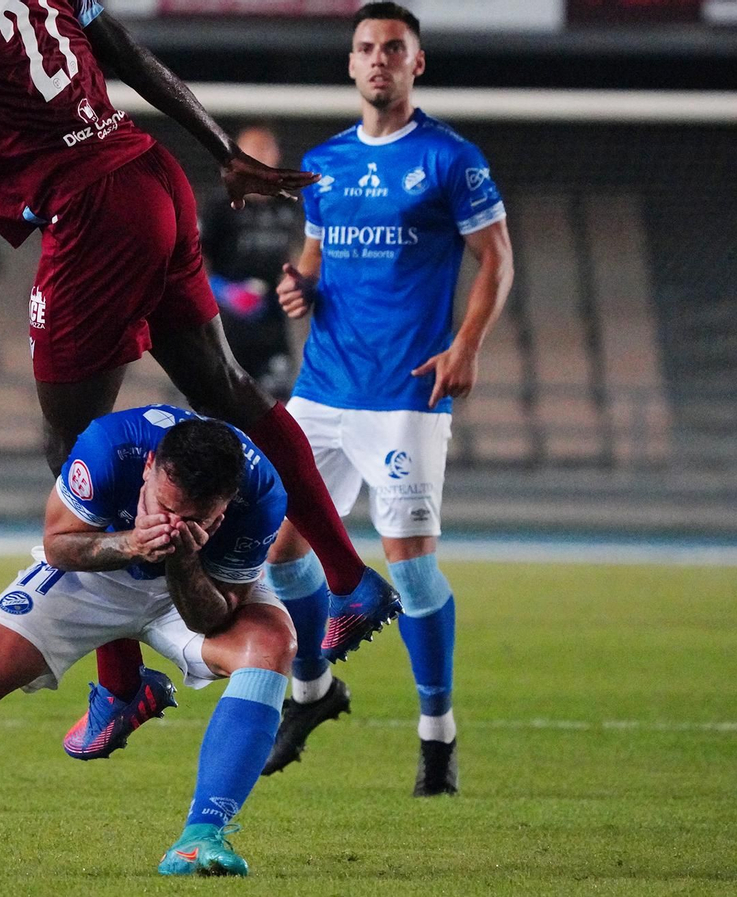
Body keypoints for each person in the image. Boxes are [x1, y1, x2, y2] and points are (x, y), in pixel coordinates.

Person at [0, 0, 401, 756]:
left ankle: (123, 684)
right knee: (228, 389)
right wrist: (222, 148)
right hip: (150, 172)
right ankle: (347, 573)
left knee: (71, 448)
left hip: (93, 210)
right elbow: (129, 55)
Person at [0, 409, 293, 877]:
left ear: (227, 502)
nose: (173, 522)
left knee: (271, 647)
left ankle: (200, 840)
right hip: (94, 575)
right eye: (164, 507)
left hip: (195, 586)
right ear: (149, 465)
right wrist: (134, 544)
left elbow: (212, 617)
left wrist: (182, 558)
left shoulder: (261, 494)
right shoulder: (109, 447)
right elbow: (59, 546)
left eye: (194, 518)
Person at [263, 2, 514, 796]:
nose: (379, 59)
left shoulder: (450, 159)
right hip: (323, 390)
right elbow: (313, 256)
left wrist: (466, 344)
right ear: (350, 64)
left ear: (417, 63)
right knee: (280, 549)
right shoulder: (324, 162)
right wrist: (298, 287)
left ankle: (436, 733)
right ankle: (311, 693)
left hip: (406, 394)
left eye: (393, 48)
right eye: (366, 48)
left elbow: (496, 258)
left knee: (408, 570)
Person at [199, 125, 301, 400]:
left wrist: (292, 282)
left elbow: (289, 255)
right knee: (226, 402)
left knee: (278, 402)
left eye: (263, 151)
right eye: (249, 153)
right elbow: (195, 260)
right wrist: (223, 291)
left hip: (271, 325)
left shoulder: (287, 205)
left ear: (276, 156)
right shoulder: (219, 205)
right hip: (226, 325)